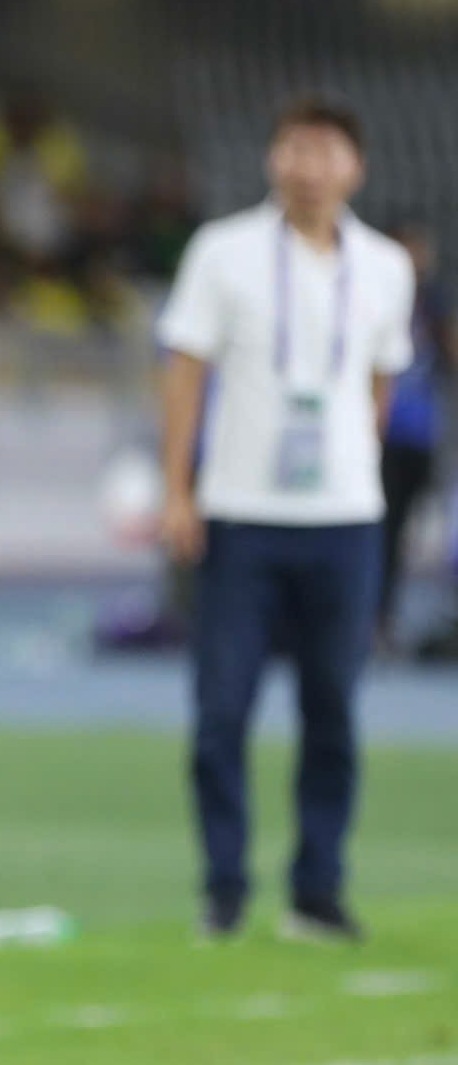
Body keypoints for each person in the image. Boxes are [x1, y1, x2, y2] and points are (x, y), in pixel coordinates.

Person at [159, 98, 414, 942]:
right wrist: (178, 489)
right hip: (242, 514)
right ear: (273, 160)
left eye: (327, 151)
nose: (309, 165)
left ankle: (317, 889)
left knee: (334, 710)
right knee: (222, 710)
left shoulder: (383, 266)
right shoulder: (224, 251)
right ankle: (225, 888)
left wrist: (356, 468)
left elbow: (380, 381)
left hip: (344, 519)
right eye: (295, 148)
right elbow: (185, 373)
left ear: (356, 167)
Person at [378, 219, 451, 646]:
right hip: (378, 436)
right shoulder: (372, 296)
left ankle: (386, 618)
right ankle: (370, 619)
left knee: (401, 533)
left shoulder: (433, 301)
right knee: (376, 533)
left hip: (420, 438)